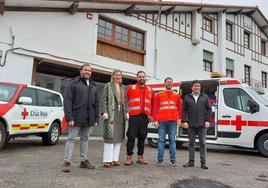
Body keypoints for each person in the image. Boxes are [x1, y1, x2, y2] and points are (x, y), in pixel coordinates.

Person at [61, 63, 99, 173]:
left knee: (85, 139)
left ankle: (83, 161)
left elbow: (96, 103)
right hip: (76, 117)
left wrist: (96, 118)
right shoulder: (73, 83)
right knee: (71, 139)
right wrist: (69, 118)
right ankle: (67, 162)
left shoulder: (93, 85)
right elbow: (67, 101)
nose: (87, 72)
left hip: (89, 118)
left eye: (89, 70)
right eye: (85, 70)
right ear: (80, 71)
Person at [125, 71, 154, 165]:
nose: (141, 78)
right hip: (133, 116)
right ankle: (129, 157)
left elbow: (153, 104)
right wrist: (126, 112)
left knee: (142, 136)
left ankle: (140, 157)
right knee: (131, 136)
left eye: (143, 76)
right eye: (140, 76)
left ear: (145, 78)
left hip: (144, 117)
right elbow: (125, 101)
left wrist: (151, 115)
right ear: (137, 78)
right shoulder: (131, 88)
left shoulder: (150, 89)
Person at [181, 80, 211, 169]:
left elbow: (209, 109)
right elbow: (184, 110)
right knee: (191, 143)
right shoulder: (187, 97)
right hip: (191, 125)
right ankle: (191, 162)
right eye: (195, 86)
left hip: (202, 125)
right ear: (192, 87)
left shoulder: (205, 97)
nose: (197, 87)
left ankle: (203, 163)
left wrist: (207, 120)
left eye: (198, 86)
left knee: (202, 143)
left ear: (200, 87)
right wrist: (184, 121)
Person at [101, 69, 128, 168]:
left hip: (121, 113)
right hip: (111, 112)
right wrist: (104, 112)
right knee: (110, 136)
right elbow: (104, 99)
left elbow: (125, 101)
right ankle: (107, 160)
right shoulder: (108, 85)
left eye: (119, 75)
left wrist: (127, 112)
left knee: (119, 136)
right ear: (113, 76)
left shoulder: (123, 87)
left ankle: (115, 158)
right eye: (116, 75)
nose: (118, 77)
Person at [153, 77, 182, 166]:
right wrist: (155, 120)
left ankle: (172, 160)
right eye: (167, 82)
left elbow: (180, 108)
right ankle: (160, 160)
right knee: (161, 140)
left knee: (172, 140)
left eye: (170, 82)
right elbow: (155, 108)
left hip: (173, 121)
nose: (169, 83)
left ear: (172, 84)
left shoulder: (177, 95)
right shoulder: (158, 95)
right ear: (164, 83)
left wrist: (179, 119)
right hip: (162, 121)